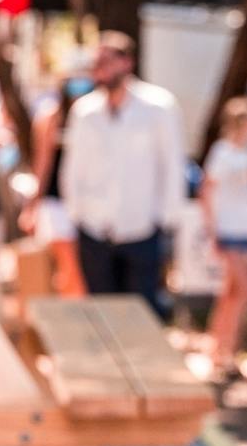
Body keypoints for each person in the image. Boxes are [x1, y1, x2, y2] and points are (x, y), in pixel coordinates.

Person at [60, 31, 186, 314]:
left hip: (141, 227)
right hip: (94, 227)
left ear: (127, 62)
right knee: (103, 311)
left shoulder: (158, 107)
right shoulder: (85, 111)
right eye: (97, 63)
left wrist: (167, 219)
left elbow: (171, 165)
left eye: (106, 61)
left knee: (141, 312)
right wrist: (76, 214)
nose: (100, 69)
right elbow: (74, 167)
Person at [200, 95, 247, 378]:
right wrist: (212, 232)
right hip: (227, 232)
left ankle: (221, 352)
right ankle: (223, 351)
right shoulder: (223, 153)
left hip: (243, 231)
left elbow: (246, 198)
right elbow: (206, 192)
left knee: (232, 295)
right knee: (246, 289)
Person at [20, 67, 93, 296]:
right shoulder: (52, 115)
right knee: (68, 265)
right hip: (56, 204)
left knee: (81, 267)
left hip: (85, 203)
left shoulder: (95, 115)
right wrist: (32, 206)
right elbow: (42, 163)